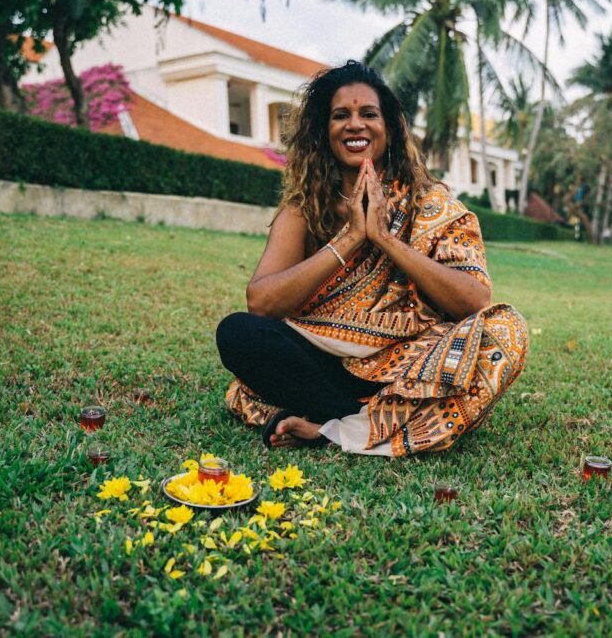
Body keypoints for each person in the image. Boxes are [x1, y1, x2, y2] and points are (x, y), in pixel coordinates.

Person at [215, 61, 527, 457]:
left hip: (407, 371)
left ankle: (329, 426)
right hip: (319, 367)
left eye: (369, 114)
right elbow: (261, 303)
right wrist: (350, 239)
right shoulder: (304, 209)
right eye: (340, 115)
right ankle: (359, 422)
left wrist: (384, 238)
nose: (355, 125)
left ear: (390, 128)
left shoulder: (431, 204)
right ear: (323, 132)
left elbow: (472, 301)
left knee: (505, 332)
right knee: (239, 333)